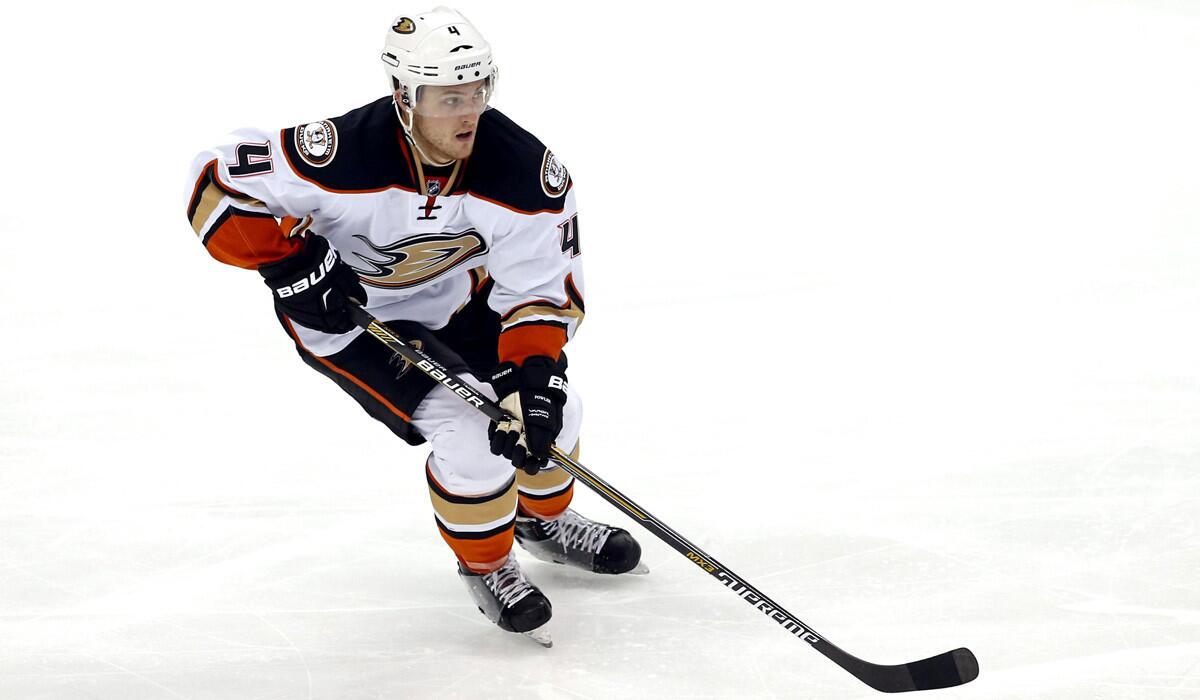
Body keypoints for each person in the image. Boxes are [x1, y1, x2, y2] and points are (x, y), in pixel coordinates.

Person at [183, 6, 645, 645]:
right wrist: (290, 261)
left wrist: (533, 371)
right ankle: (487, 563)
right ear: (404, 96)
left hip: (458, 304)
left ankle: (544, 520)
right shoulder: (341, 154)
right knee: (469, 431)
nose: (468, 111)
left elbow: (539, 290)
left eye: (478, 91)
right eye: (448, 96)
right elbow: (214, 182)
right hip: (351, 321)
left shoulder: (522, 170)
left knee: (552, 414)